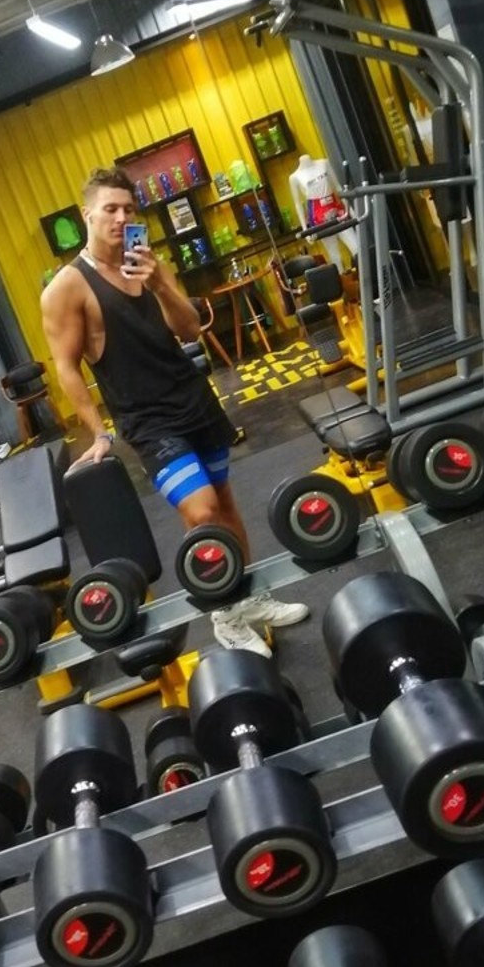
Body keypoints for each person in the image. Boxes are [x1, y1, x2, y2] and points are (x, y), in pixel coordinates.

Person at [41, 166, 308, 656]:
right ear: (87, 215)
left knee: (224, 502)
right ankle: (224, 613)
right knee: (201, 510)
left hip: (194, 399)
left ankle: (247, 597)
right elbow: (66, 368)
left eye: (128, 209)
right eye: (110, 209)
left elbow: (189, 330)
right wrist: (98, 433)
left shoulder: (149, 263)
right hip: (148, 422)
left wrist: (161, 283)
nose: (121, 218)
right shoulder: (67, 288)